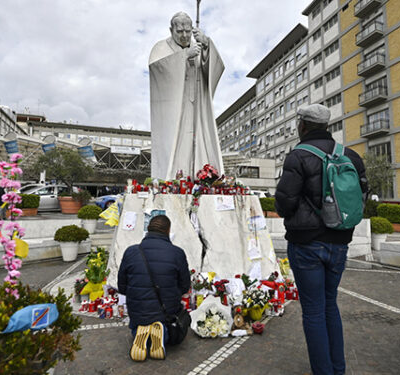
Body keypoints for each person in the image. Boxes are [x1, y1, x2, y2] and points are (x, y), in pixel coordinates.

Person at [275, 104, 366, 375]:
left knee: (313, 311)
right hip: (339, 241)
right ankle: (337, 369)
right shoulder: (350, 155)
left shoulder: (298, 156)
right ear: (327, 127)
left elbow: (284, 202)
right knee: (330, 304)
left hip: (306, 245)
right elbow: (362, 195)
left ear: (302, 126)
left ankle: (323, 371)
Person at [149, 11, 225, 179]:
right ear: (171, 30)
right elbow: (158, 70)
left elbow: (214, 70)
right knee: (177, 146)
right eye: (179, 31)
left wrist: (206, 46)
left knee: (199, 145)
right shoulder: (161, 48)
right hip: (175, 109)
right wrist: (184, 57)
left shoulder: (197, 46)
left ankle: (202, 177)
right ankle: (173, 180)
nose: (184, 35)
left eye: (188, 31)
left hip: (196, 107)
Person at [118, 215, 190, 362]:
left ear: (148, 229)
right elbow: (185, 286)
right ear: (168, 231)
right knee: (174, 331)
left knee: (139, 323)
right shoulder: (177, 253)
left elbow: (122, 287)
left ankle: (140, 332)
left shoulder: (131, 252)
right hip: (165, 314)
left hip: (138, 312)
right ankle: (161, 335)